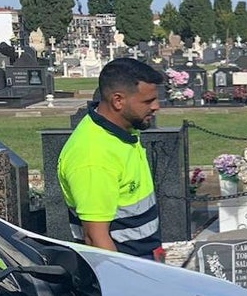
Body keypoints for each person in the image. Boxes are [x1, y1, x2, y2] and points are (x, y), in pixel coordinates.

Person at [58, 59, 166, 258]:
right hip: (128, 269)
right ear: (118, 101)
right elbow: (96, 238)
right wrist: (123, 286)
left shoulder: (121, 129)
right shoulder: (93, 155)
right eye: (148, 101)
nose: (156, 106)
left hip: (143, 259)